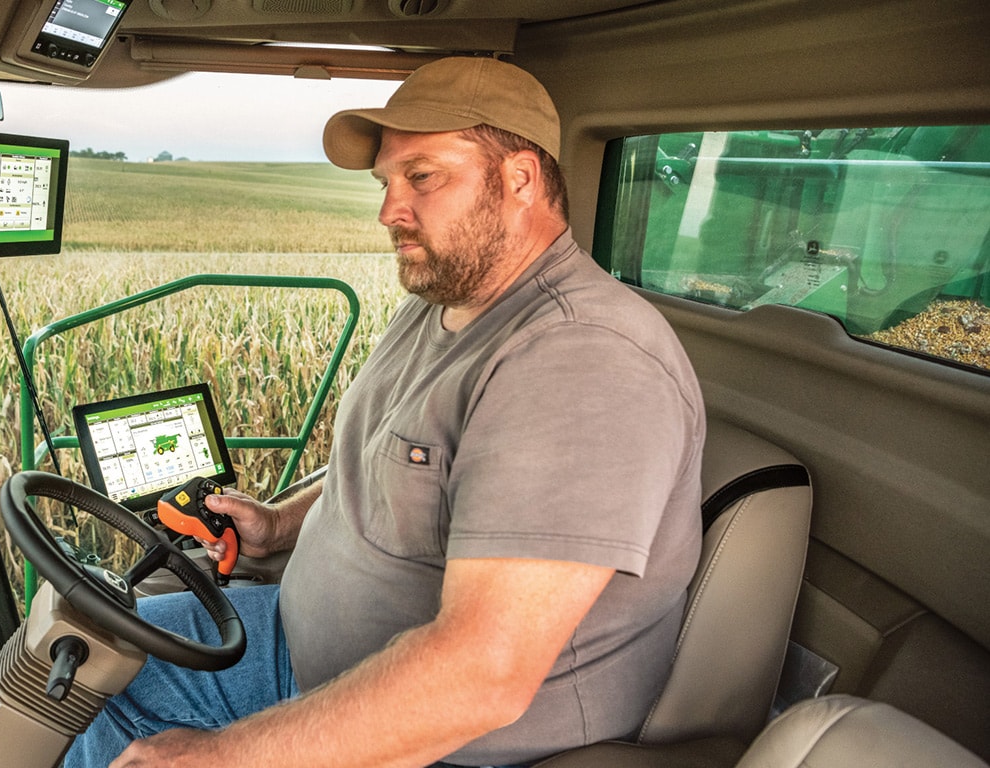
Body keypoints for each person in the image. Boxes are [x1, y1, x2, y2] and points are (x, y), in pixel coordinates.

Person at [66, 55, 705, 768]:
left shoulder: (581, 358)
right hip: (296, 643)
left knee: (101, 695)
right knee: (87, 652)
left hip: (444, 744)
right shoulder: (441, 305)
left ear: (519, 179)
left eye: (422, 178)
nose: (389, 210)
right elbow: (388, 465)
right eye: (385, 184)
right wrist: (280, 527)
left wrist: (223, 758)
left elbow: (482, 674)